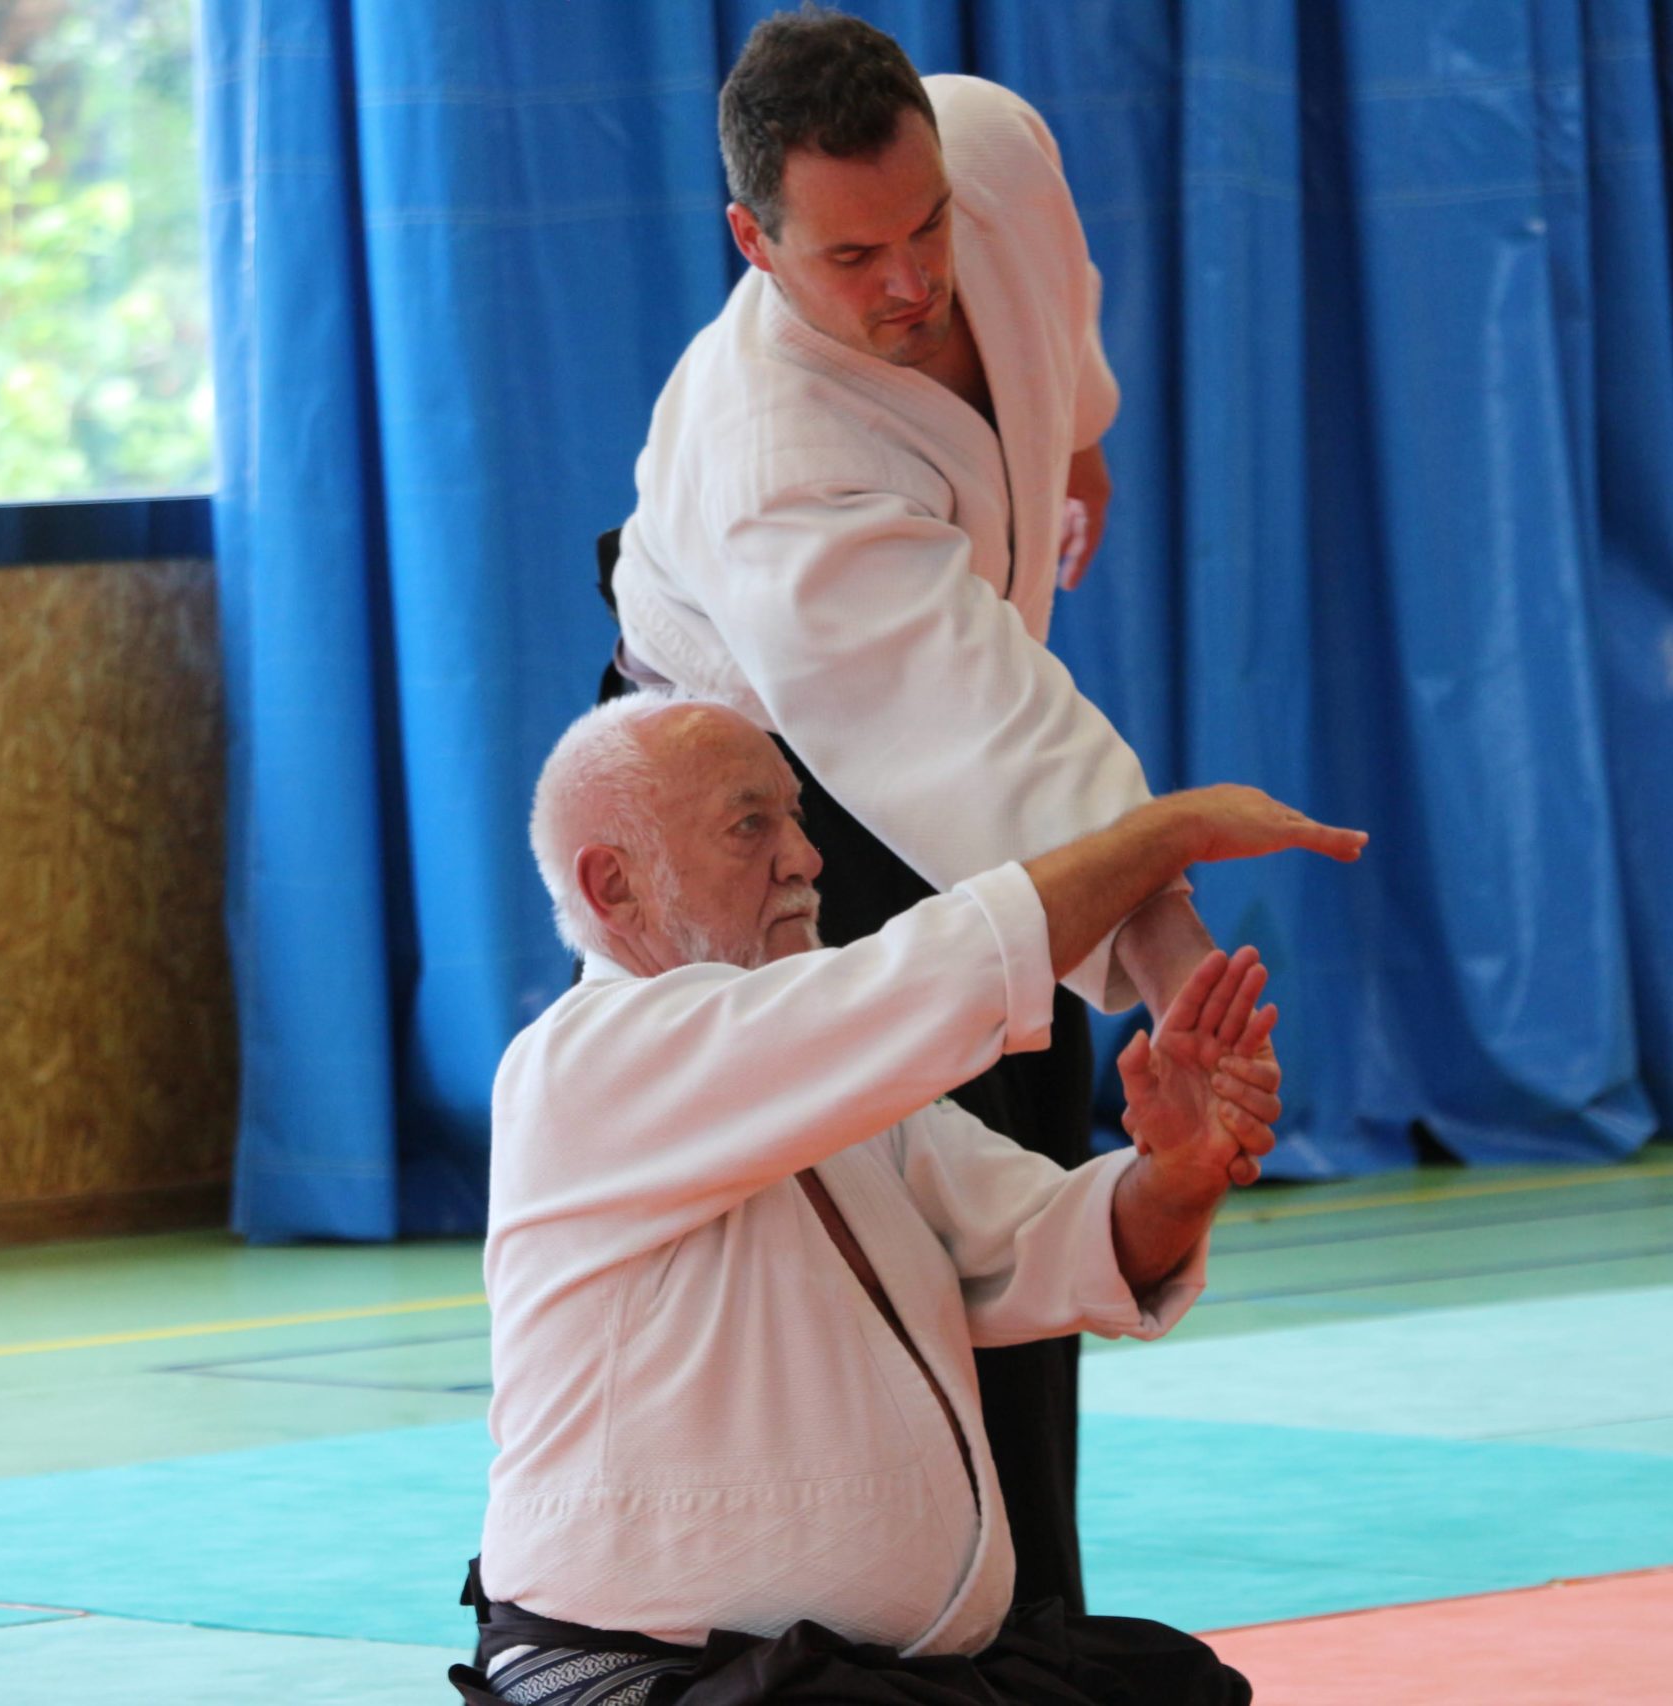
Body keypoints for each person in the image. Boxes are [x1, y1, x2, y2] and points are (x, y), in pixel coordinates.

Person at [601, 6, 1233, 1610]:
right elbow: (992, 738)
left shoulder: (991, 148)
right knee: (887, 1236)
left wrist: (1074, 442)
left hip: (945, 716)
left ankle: (1033, 1629)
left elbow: (1054, 315)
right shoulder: (780, 459)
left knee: (1026, 1148)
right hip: (760, 796)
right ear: (754, 242)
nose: (911, 280)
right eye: (853, 255)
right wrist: (1173, 961)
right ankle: (915, 1638)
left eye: (926, 225)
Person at [456, 693, 1366, 1705]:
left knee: (1174, 1686)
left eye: (799, 816)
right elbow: (920, 982)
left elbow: (1046, 1242)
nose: (805, 857)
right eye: (751, 824)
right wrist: (1158, 838)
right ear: (613, 884)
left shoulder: (838, 1091)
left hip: (874, 1676)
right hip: (645, 1675)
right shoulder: (584, 1060)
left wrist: (1180, 1172)